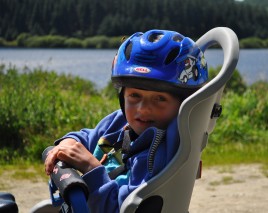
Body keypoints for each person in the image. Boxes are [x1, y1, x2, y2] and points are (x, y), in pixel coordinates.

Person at [44, 29, 208, 212]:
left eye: (160, 98)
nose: (143, 109)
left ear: (183, 104)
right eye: (134, 95)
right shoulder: (119, 122)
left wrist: (91, 167)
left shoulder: (158, 157)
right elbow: (85, 137)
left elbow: (122, 209)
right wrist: (69, 143)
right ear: (123, 97)